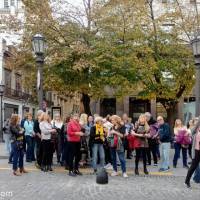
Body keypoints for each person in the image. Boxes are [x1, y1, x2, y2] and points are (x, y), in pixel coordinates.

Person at [185, 120, 200, 188]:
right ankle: (187, 181)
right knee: (193, 166)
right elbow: (190, 132)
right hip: (197, 150)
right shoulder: (195, 129)